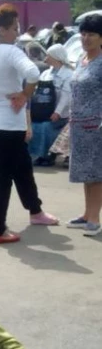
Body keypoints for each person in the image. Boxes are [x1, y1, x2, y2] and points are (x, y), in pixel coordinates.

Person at [0, 4, 58, 244]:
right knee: (2, 177)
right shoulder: (10, 51)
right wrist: (24, 95)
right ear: (1, 30)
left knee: (9, 171)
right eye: (14, 28)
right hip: (8, 125)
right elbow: (34, 74)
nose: (17, 33)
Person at [65, 13, 102, 237]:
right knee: (85, 173)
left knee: (97, 173)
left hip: (97, 125)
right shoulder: (81, 59)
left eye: (92, 34)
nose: (86, 38)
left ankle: (95, 219)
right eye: (83, 34)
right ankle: (87, 213)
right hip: (79, 125)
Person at [29, 44, 73, 166]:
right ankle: (40, 154)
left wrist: (57, 112)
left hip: (61, 114)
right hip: (44, 111)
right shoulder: (45, 74)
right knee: (35, 126)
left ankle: (49, 155)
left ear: (56, 57)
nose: (46, 58)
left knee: (45, 127)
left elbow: (66, 96)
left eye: (48, 55)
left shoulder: (68, 75)